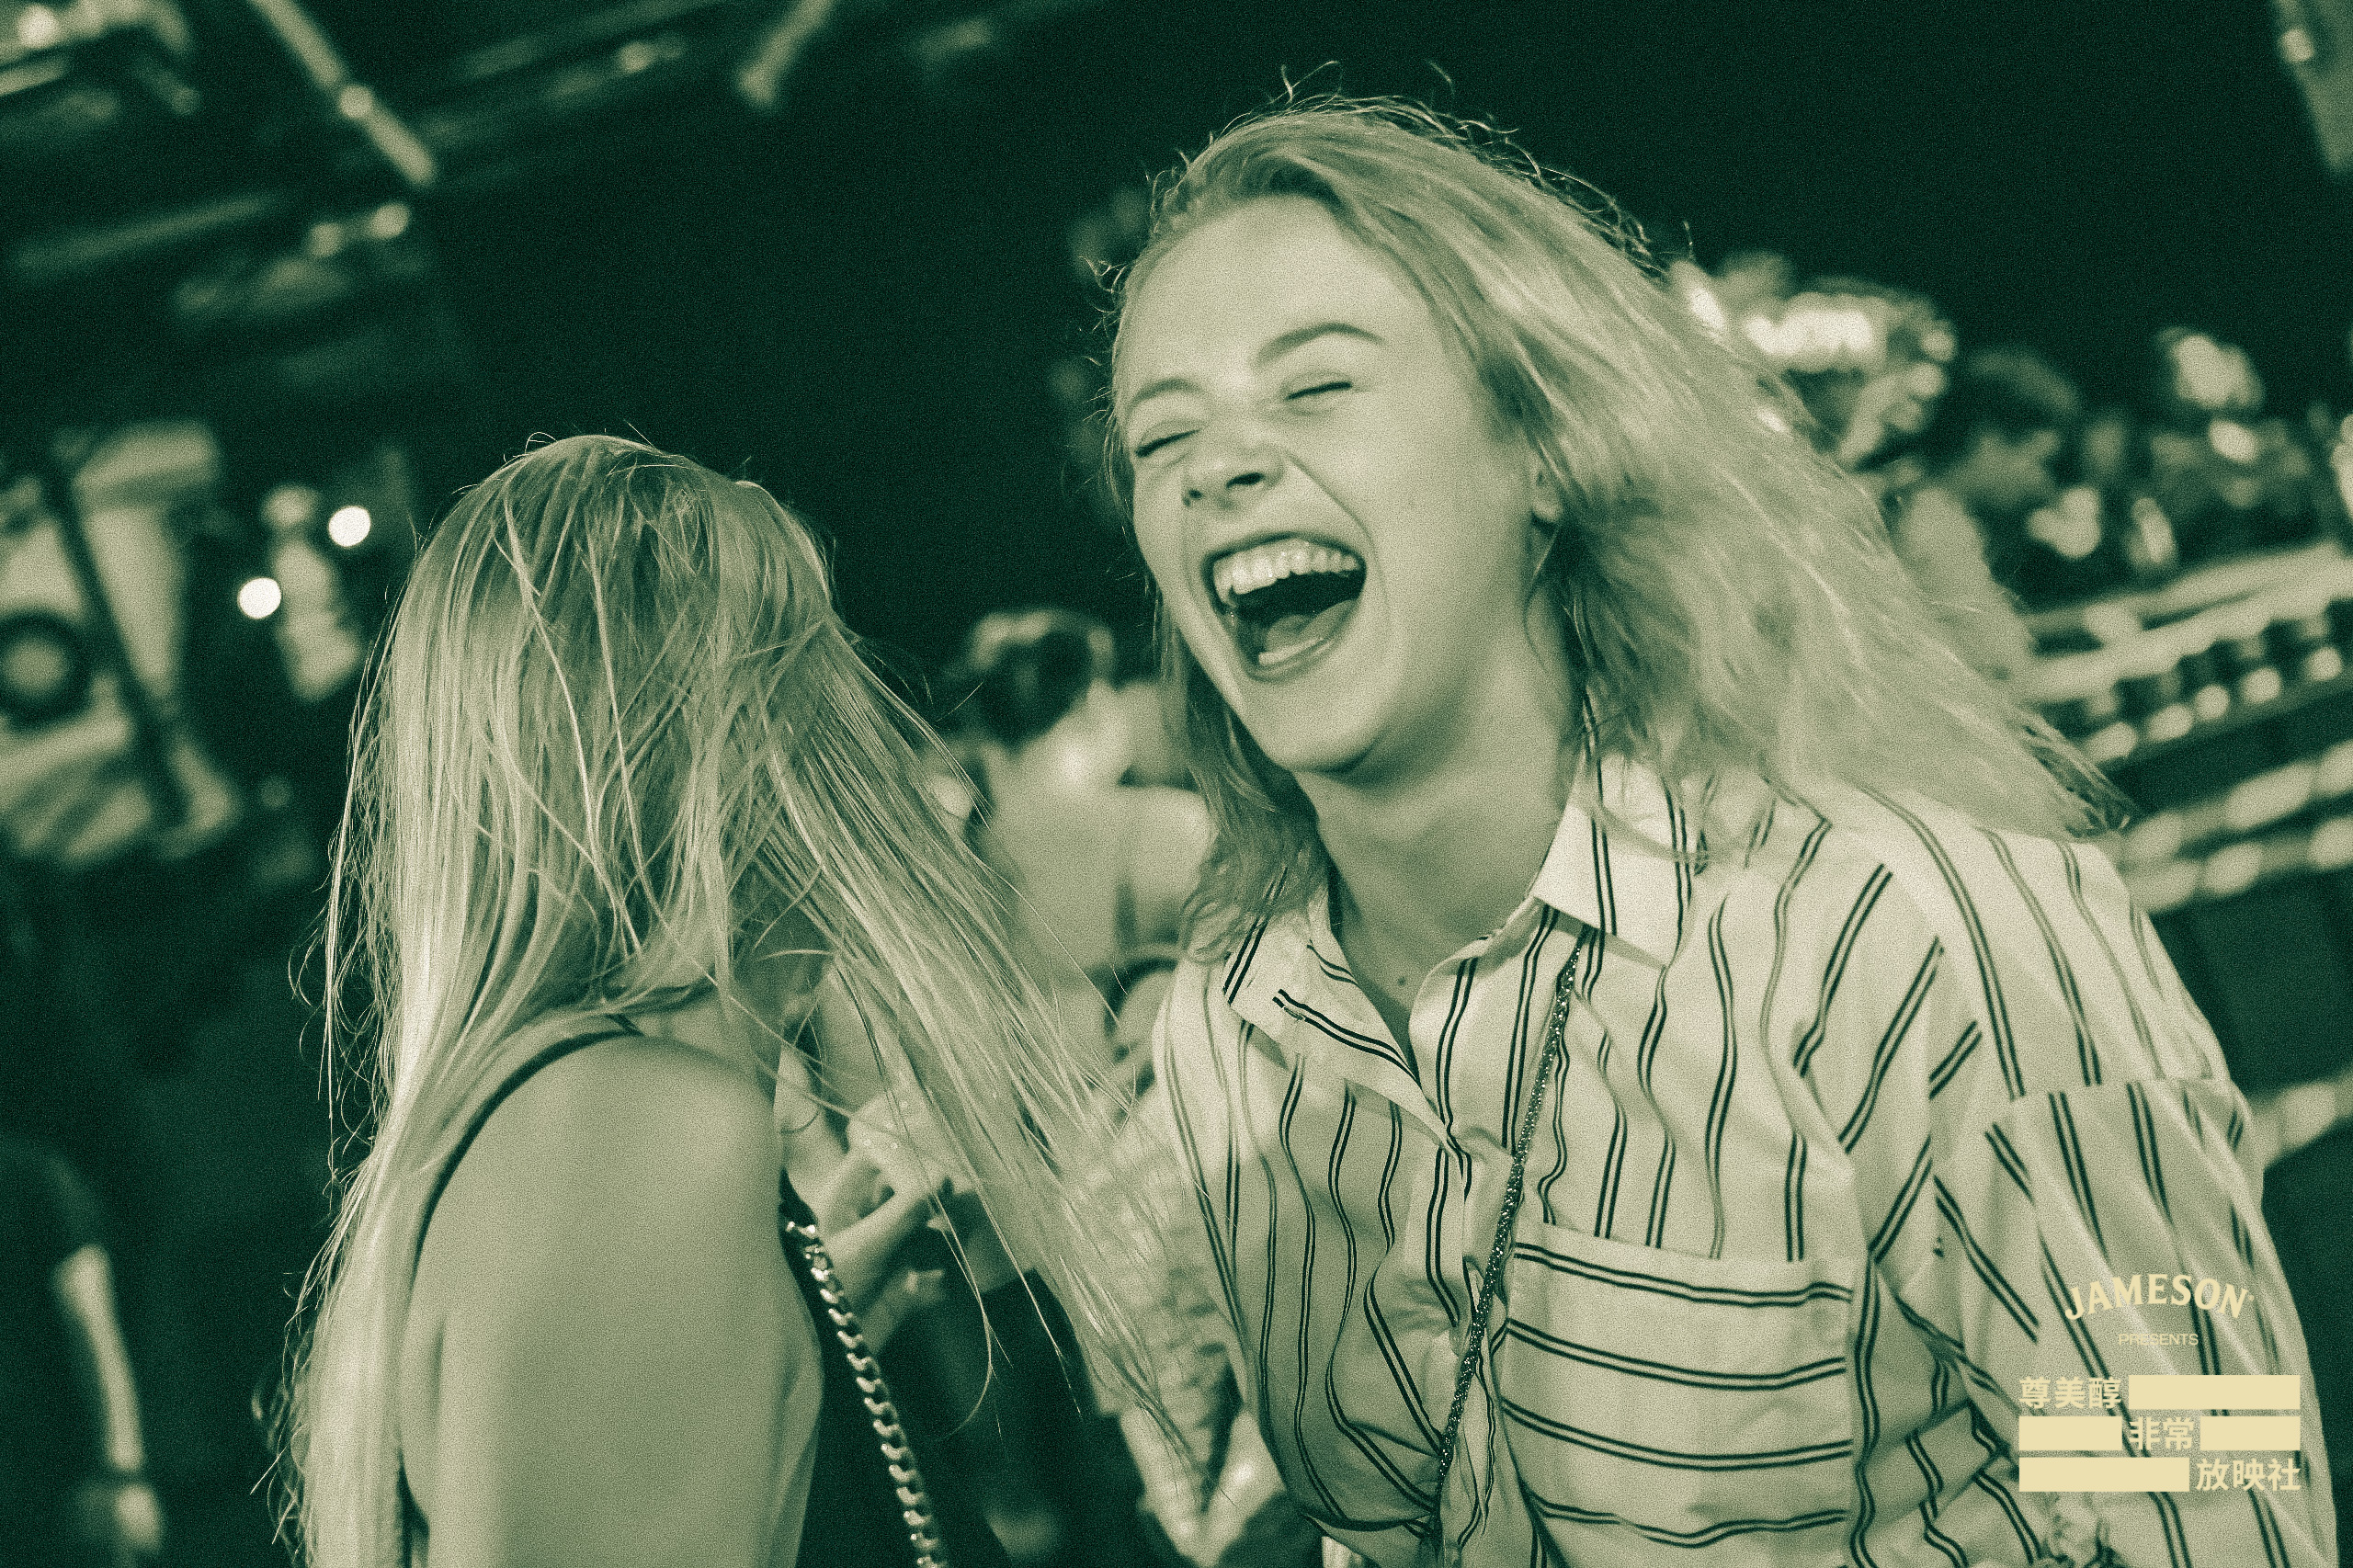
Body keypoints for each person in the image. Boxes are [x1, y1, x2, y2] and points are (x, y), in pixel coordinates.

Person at [1105, 99, 2335, 1567]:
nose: (1219, 465)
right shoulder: (1232, 1021)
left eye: (1315, 387)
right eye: (1161, 435)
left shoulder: (1915, 935)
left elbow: (2214, 1507)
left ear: (1541, 455)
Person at [272, 436, 1157, 1568]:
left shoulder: (591, 1117)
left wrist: (801, 1325)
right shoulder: (634, 1129)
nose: (876, 716)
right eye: (816, 654)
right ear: (727, 739)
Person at [947, 606, 1210, 1062]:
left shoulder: (953, 856)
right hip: (1144, 1091)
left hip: (1022, 1093)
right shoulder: (1169, 828)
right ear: (1093, 701)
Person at [1891, 347, 2081, 681]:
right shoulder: (1928, 528)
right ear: (1987, 442)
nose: (2040, 482)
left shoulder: (1934, 510)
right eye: (2037, 459)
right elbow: (1993, 661)